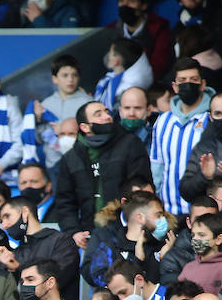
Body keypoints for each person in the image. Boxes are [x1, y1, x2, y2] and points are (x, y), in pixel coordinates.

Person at [52, 101, 151, 236]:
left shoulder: (130, 144)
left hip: (127, 230)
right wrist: (74, 232)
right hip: (89, 234)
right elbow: (65, 202)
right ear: (85, 127)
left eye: (107, 112)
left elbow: (141, 188)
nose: (107, 117)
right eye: (98, 115)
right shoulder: (71, 158)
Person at [150, 58, 212, 216]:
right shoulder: (163, 121)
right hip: (169, 211)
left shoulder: (211, 119)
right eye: (182, 80)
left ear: (203, 84)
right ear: (174, 87)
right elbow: (157, 166)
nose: (188, 84)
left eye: (193, 79)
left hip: (204, 213)